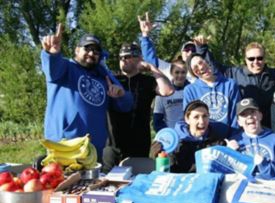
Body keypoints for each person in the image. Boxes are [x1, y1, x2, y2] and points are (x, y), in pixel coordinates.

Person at [40, 24, 133, 159]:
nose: (91, 53)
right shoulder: (65, 67)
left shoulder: (104, 77)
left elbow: (126, 106)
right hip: (64, 145)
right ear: (77, 50)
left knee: (93, 181)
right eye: (87, 49)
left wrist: (121, 95)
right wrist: (52, 53)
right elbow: (51, 70)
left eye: (96, 52)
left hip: (94, 148)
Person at [103, 42, 174, 172]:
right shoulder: (112, 79)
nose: (123, 59)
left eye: (128, 56)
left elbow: (167, 90)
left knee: (136, 182)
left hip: (139, 142)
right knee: (106, 183)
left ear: (139, 59)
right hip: (113, 144)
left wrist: (151, 68)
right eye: (121, 57)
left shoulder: (148, 81)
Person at [204, 42, 275, 128]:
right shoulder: (234, 73)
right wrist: (202, 48)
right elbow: (214, 68)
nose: (256, 61)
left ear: (265, 58)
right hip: (245, 129)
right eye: (251, 59)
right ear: (245, 59)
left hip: (271, 128)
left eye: (260, 58)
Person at [227, 98, 275, 180]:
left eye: (252, 112)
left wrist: (264, 165)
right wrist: (229, 154)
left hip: (273, 189)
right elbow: (227, 175)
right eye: (243, 114)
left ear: (260, 115)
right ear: (239, 122)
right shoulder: (234, 142)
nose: (249, 116)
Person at [151, 100, 227, 173]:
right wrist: (159, 157)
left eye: (205, 116)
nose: (201, 121)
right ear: (187, 119)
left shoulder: (217, 143)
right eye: (196, 117)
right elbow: (168, 172)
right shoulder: (175, 144)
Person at [138, 12, 212, 83]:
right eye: (187, 49)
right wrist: (145, 34)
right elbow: (150, 60)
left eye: (193, 49)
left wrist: (203, 48)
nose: (190, 52)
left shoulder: (203, 73)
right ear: (182, 52)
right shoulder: (168, 69)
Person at [184, 53, 241, 137]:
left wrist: (234, 137)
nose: (200, 67)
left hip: (229, 139)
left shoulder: (230, 84)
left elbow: (236, 114)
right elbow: (190, 119)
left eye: (201, 62)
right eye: (195, 67)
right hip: (203, 140)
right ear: (194, 73)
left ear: (207, 62)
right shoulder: (190, 90)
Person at [153, 58, 189, 132]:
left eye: (183, 72)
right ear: (171, 73)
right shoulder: (163, 92)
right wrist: (167, 134)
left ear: (186, 73)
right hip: (171, 136)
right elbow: (157, 121)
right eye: (177, 72)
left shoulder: (192, 91)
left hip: (190, 135)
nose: (180, 75)